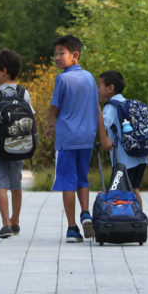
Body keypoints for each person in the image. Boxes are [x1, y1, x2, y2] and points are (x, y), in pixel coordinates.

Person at [46, 35, 112, 243]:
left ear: (75, 55)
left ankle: (72, 228)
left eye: (61, 53)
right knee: (82, 179)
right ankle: (85, 213)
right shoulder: (90, 78)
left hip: (67, 139)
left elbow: (54, 107)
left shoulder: (62, 79)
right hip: (86, 138)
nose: (56, 57)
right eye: (55, 53)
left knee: (67, 182)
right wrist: (103, 135)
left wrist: (49, 125)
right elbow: (97, 108)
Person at [0, 49, 31, 239]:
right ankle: (15, 221)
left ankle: (5, 224)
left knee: (0, 183)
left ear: (3, 71)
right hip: (19, 144)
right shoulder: (23, 93)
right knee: (15, 183)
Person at [98, 70, 148, 208]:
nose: (98, 90)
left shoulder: (111, 107)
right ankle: (139, 220)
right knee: (134, 189)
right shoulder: (129, 103)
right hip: (141, 156)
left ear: (110, 88)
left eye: (100, 85)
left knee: (122, 191)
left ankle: (131, 220)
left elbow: (102, 123)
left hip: (125, 160)